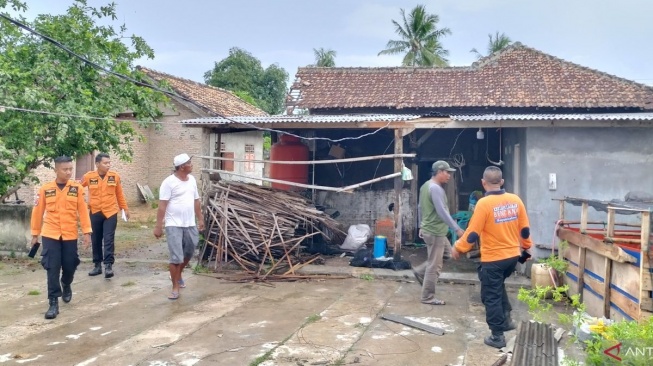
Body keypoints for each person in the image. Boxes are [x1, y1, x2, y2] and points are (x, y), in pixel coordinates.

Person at [451, 166, 533, 349]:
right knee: (496, 287)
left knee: (490, 296)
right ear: (502, 181)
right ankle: (506, 320)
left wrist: (458, 247)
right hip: (512, 257)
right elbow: (525, 229)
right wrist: (526, 249)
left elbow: (472, 233)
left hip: (494, 259)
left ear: (483, 183)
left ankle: (497, 336)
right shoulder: (515, 200)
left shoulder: (484, 204)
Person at [30, 156, 92, 319]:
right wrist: (35, 234)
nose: (69, 172)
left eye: (70, 169)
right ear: (56, 170)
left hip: (70, 233)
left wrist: (87, 232)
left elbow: (83, 211)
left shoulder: (77, 188)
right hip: (50, 233)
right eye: (65, 169)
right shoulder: (45, 189)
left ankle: (66, 282)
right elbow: (37, 212)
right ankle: (53, 302)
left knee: (70, 264)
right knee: (52, 267)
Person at [153, 153, 205, 300]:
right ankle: (175, 287)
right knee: (176, 257)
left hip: (189, 223)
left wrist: (200, 218)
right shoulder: (168, 182)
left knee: (189, 251)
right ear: (182, 167)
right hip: (173, 224)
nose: (192, 165)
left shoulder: (192, 180)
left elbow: (196, 201)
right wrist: (158, 226)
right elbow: (162, 206)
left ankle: (178, 274)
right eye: (189, 163)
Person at [414, 160, 465, 305]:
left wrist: (420, 226)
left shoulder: (425, 186)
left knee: (447, 254)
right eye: (447, 172)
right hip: (435, 231)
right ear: (440, 171)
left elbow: (419, 207)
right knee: (434, 266)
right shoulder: (435, 188)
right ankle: (427, 297)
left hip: (435, 230)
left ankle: (419, 271)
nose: (449, 175)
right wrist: (456, 228)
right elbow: (441, 212)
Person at [81, 153, 129, 278]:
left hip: (110, 212)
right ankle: (97, 265)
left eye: (109, 163)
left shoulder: (114, 177)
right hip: (95, 212)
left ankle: (108, 266)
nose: (108, 165)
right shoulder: (89, 177)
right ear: (97, 164)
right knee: (96, 239)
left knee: (108, 239)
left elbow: (119, 194)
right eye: (105, 163)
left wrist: (125, 208)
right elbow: (77, 187)